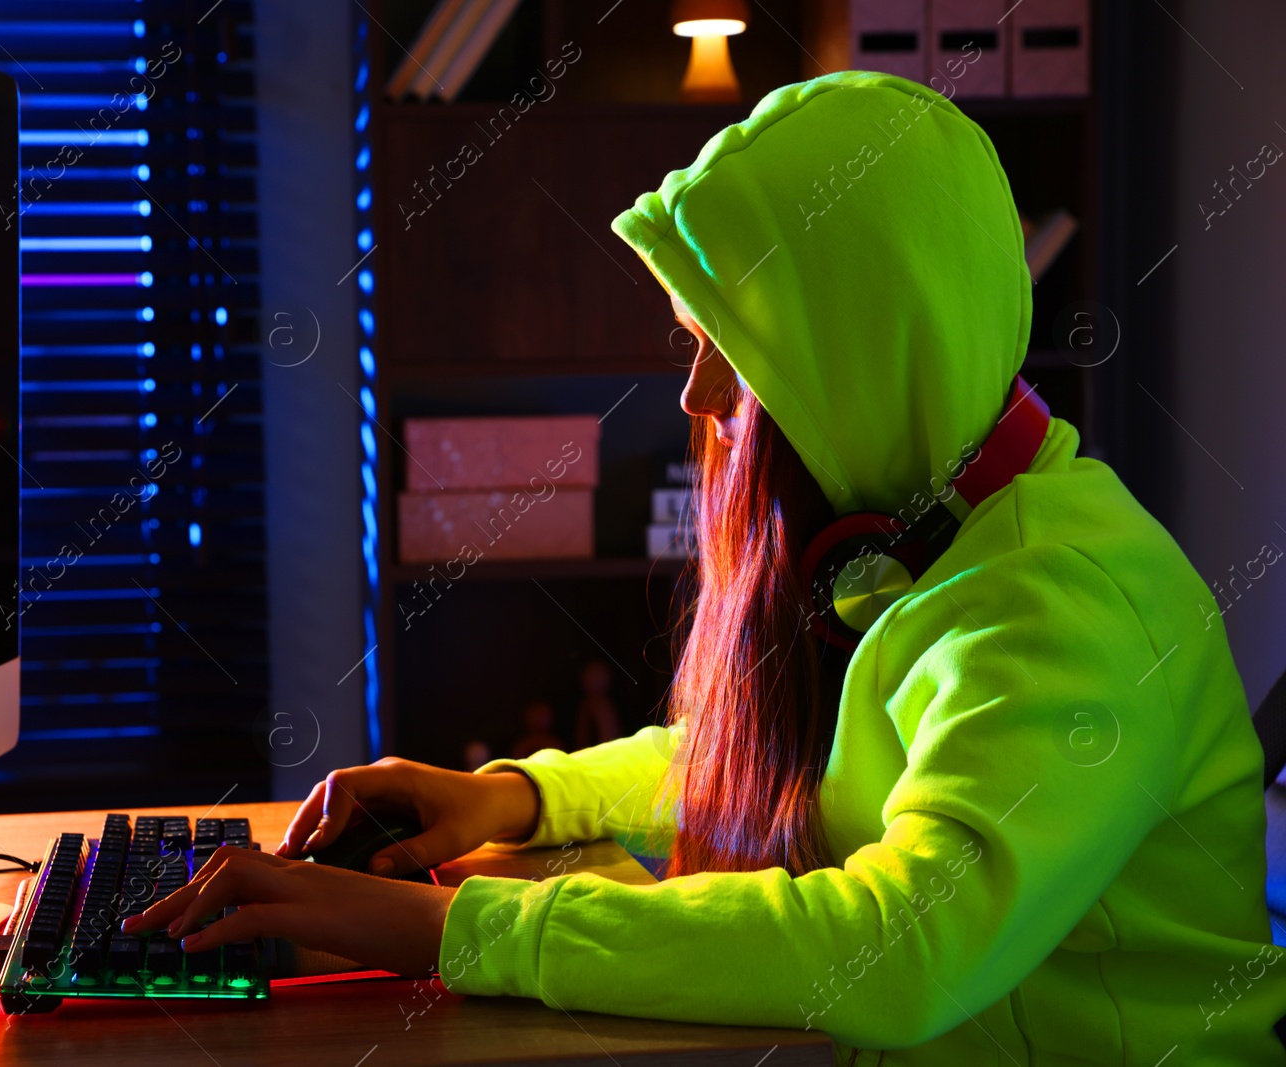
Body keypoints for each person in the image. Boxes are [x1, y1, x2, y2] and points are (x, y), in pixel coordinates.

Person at [124, 72, 1286, 1063]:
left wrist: (452, 928)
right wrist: (518, 794)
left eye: (730, 356)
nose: (697, 400)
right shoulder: (933, 531)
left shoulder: (1062, 601)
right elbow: (800, 770)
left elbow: (900, 945)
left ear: (861, 354)